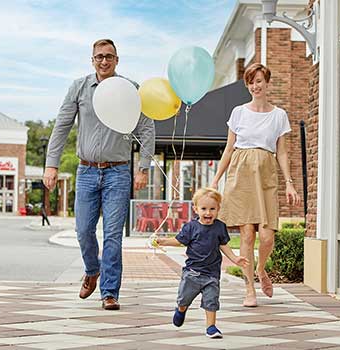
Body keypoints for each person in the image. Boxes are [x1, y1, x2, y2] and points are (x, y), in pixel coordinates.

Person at [43, 39, 155, 311]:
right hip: (86, 171)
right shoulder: (79, 88)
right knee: (83, 231)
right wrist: (51, 164)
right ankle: (92, 270)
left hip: (118, 172)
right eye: (99, 57)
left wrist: (143, 168)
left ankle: (109, 292)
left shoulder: (130, 89)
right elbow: (62, 127)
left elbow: (147, 128)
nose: (104, 61)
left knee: (113, 235)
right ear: (92, 60)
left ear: (117, 60)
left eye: (109, 57)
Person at [211, 63, 300, 307]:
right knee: (247, 236)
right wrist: (217, 178)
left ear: (267, 82)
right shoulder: (239, 112)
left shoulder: (279, 115)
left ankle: (261, 269)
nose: (255, 86)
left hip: (266, 174)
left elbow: (282, 152)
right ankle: (249, 289)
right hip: (240, 174)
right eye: (251, 82)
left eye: (259, 80)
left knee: (268, 236)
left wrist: (290, 184)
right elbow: (229, 148)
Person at [156, 187, 249, 338]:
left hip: (212, 274)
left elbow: (224, 245)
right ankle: (181, 309)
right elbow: (179, 241)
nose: (208, 213)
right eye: (204, 208)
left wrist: (235, 258)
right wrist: (164, 241)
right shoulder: (191, 227)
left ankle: (211, 327)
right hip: (192, 273)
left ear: (218, 209)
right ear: (196, 209)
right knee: (184, 299)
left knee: (211, 301)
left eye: (212, 209)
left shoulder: (220, 227)